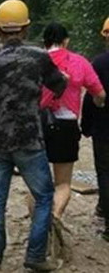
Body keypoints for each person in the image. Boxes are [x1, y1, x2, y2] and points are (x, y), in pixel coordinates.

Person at [0, 0, 67, 271]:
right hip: (29, 140)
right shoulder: (39, 58)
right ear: (26, 29)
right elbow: (59, 85)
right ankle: (34, 256)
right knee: (44, 197)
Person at [39, 23, 105, 221]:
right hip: (66, 126)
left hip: (37, 126)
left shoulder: (34, 61)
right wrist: (98, 105)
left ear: (44, 41)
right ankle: (56, 216)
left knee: (39, 185)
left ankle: (40, 224)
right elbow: (100, 94)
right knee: (63, 184)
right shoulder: (80, 62)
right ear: (66, 40)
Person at [82, 17, 109, 241]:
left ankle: (107, 219)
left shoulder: (99, 63)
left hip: (104, 129)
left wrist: (86, 125)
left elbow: (91, 97)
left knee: (105, 173)